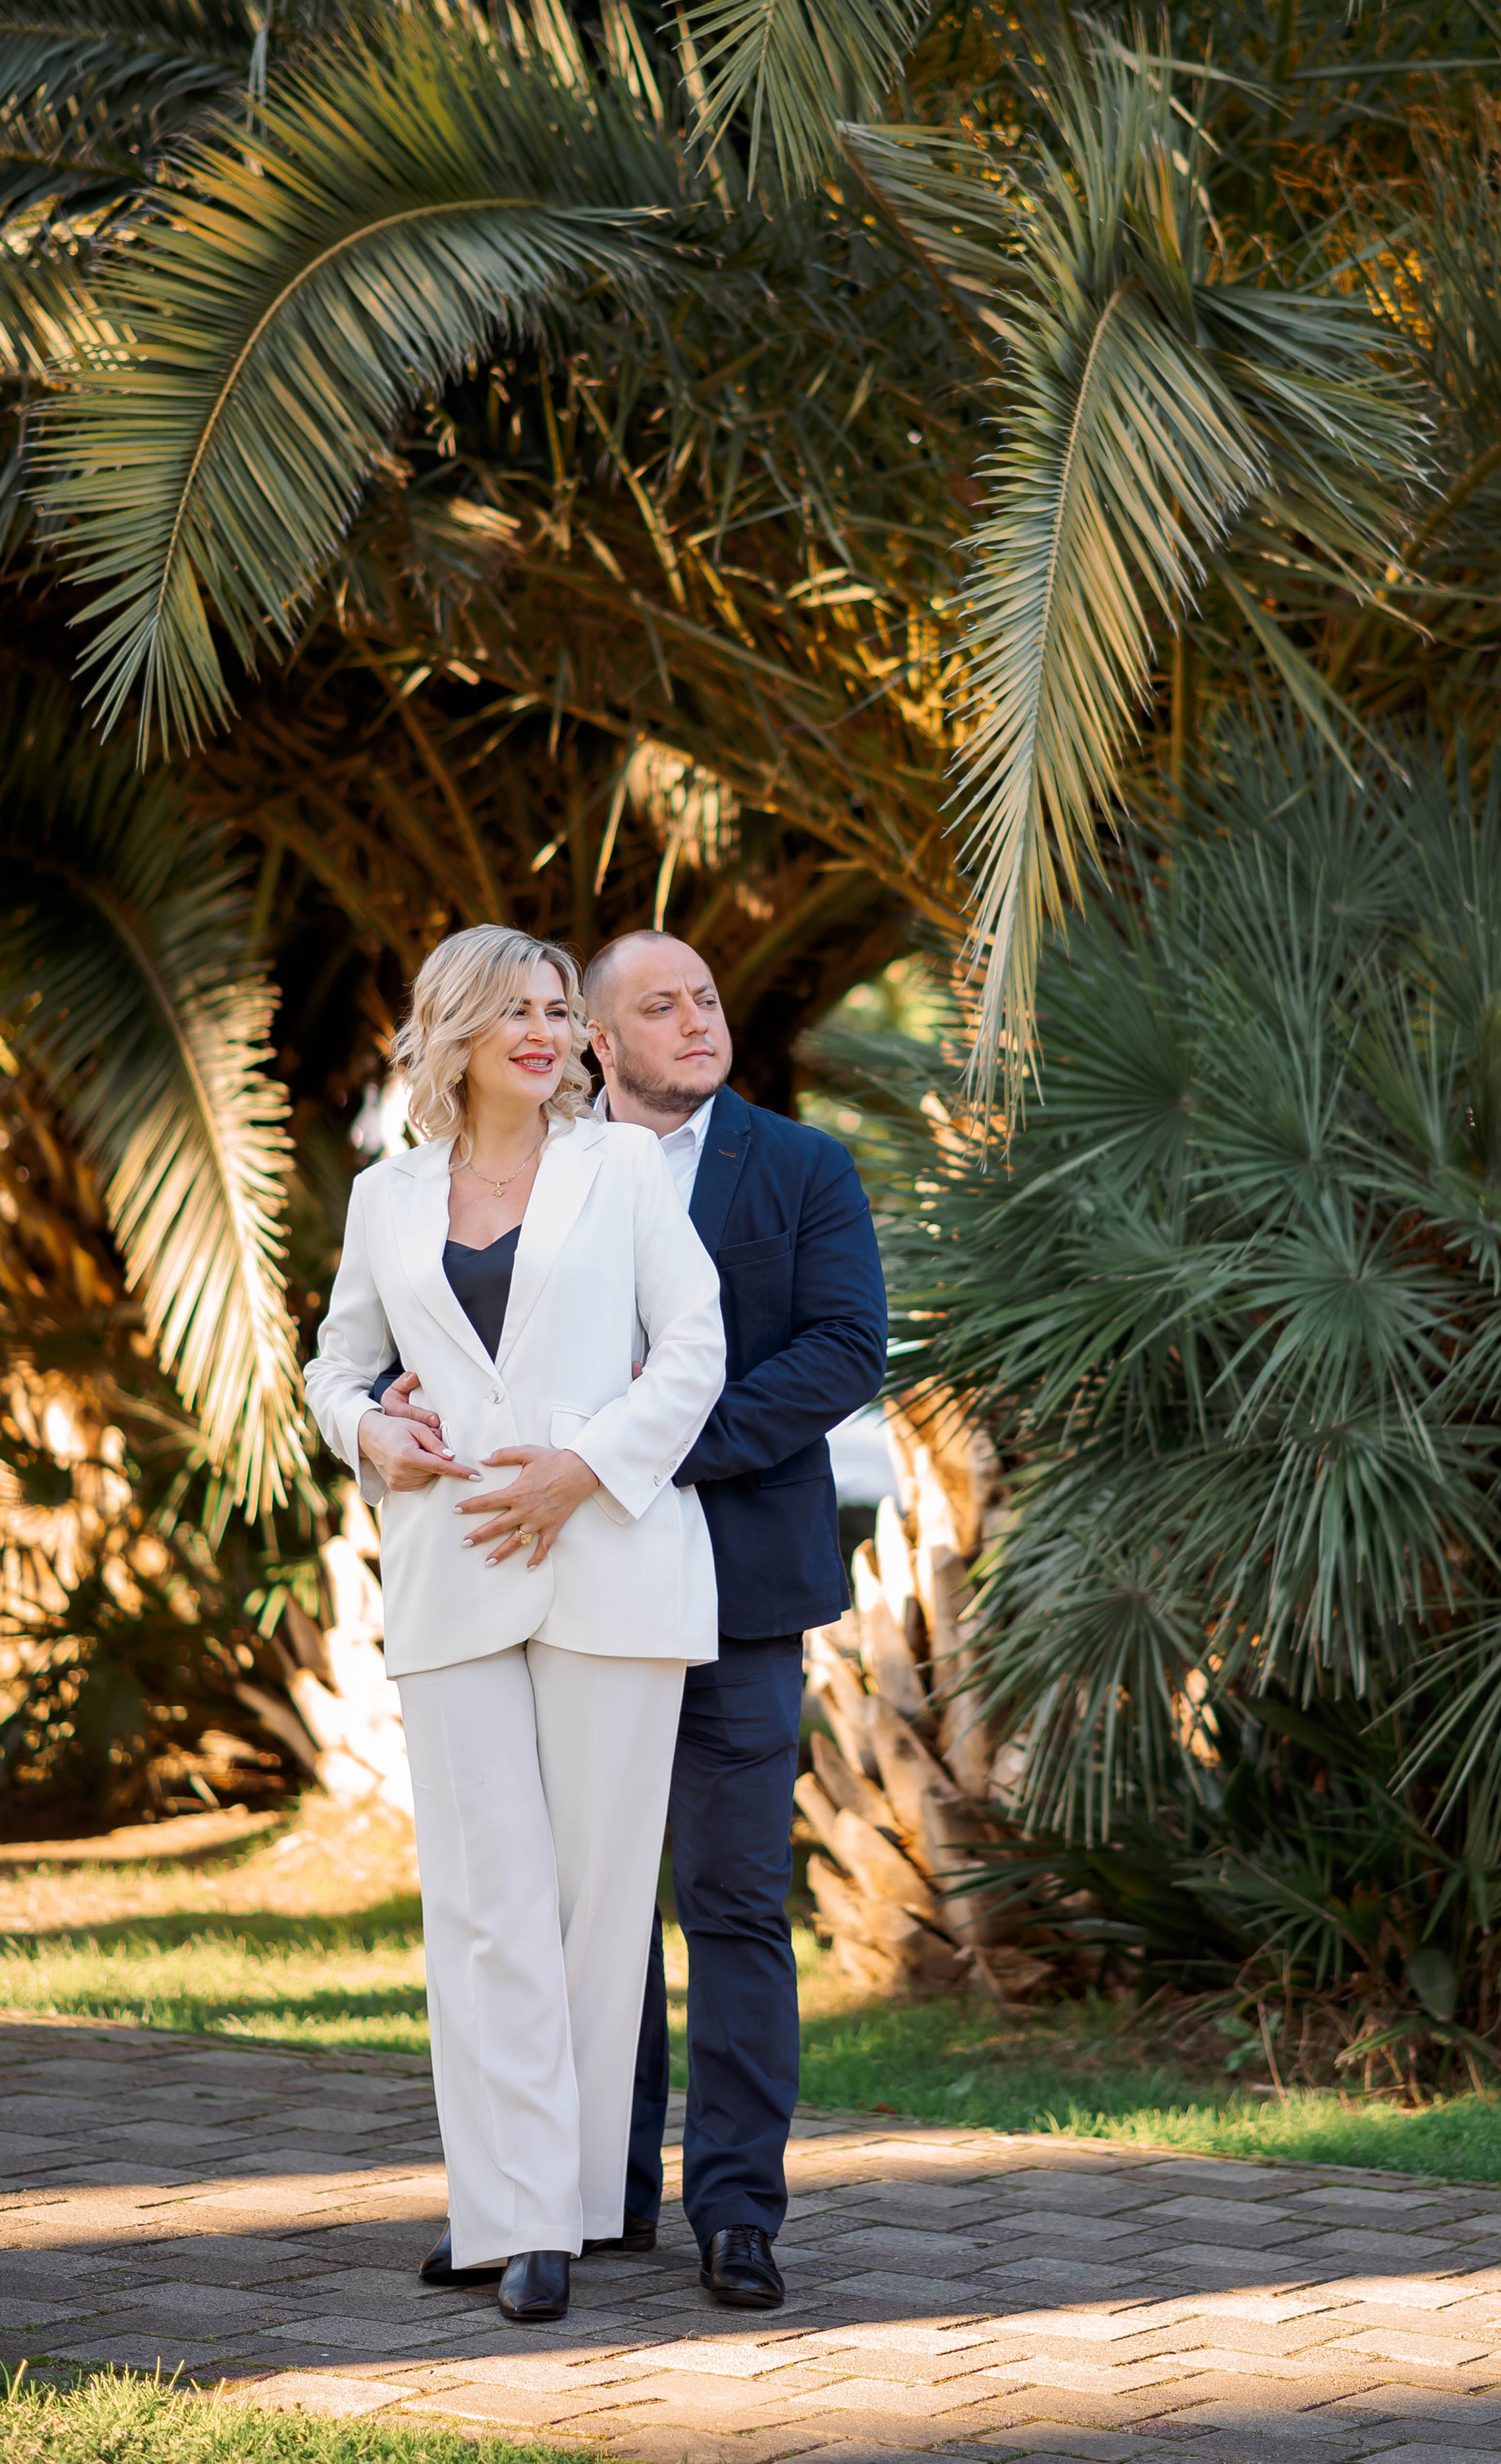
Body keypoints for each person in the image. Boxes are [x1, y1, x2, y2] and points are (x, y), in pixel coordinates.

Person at [306, 925, 724, 2327]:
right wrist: (375, 1428)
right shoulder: (385, 1197)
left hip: (609, 1564)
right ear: (456, 1032)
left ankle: (556, 2207)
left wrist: (584, 1469)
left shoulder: (622, 1170)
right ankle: (514, 2213)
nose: (547, 1033)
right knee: (485, 1912)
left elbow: (696, 1347)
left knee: (597, 1917)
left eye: (559, 1010)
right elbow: (337, 1361)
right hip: (451, 1573)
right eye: (518, 1012)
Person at [580, 930, 888, 2310]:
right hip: (571, 1587)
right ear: (600, 1040)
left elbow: (843, 1349)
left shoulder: (804, 1166)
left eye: (705, 997)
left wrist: (651, 1449)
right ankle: (598, 2194)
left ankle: (739, 2214)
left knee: (737, 1906)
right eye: (662, 1005)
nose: (699, 1019)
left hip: (746, 1590)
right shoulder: (545, 1164)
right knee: (591, 1912)